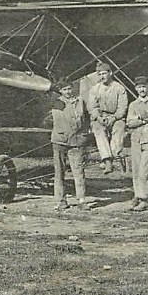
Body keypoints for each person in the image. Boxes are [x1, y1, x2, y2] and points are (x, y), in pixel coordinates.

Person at [46, 80, 91, 211]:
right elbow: (53, 120)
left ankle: (81, 200)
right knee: (59, 172)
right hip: (59, 141)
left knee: (79, 171)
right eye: (65, 89)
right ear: (60, 91)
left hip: (76, 141)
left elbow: (84, 118)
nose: (68, 92)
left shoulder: (79, 102)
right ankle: (61, 200)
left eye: (69, 89)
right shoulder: (56, 103)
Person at [125, 76, 148, 211]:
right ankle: (137, 194)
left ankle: (144, 198)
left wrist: (139, 117)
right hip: (136, 139)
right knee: (135, 169)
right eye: (139, 87)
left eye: (144, 86)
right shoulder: (133, 105)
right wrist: (144, 120)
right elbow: (129, 123)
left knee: (145, 170)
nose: (141, 89)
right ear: (136, 88)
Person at [87, 61, 128, 174]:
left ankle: (114, 156)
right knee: (97, 128)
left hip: (115, 117)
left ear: (110, 73)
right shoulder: (95, 89)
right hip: (100, 117)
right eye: (99, 74)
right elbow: (92, 107)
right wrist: (99, 117)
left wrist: (114, 118)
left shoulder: (119, 88)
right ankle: (107, 160)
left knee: (120, 127)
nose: (102, 77)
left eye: (104, 73)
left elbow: (122, 107)